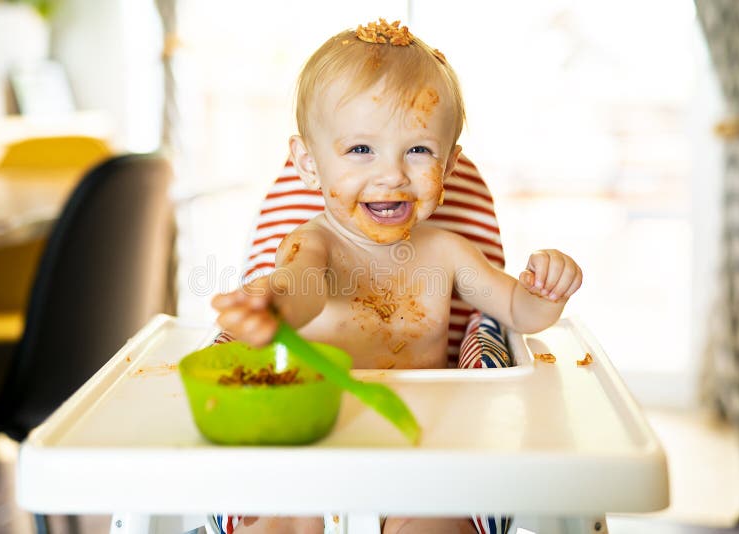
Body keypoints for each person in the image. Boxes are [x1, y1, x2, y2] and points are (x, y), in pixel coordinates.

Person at [211, 18, 583, 534]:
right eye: (361, 149)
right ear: (309, 164)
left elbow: (518, 311)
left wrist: (546, 291)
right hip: (312, 444)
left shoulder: (450, 253)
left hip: (423, 453)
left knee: (436, 525)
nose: (392, 174)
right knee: (286, 520)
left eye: (418, 150)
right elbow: (302, 289)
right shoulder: (312, 244)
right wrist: (269, 306)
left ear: (450, 166)